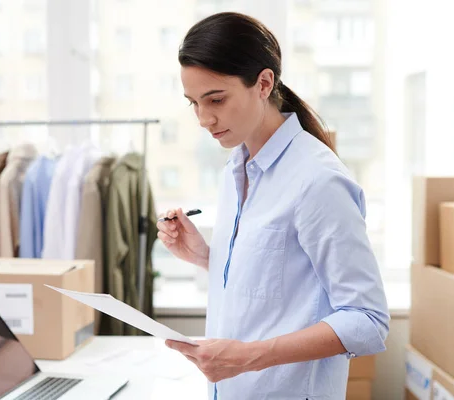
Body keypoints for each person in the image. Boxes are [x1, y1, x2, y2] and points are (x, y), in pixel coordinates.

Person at [157, 12, 390, 400]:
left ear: (264, 83)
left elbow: (368, 320)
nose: (203, 118)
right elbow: (277, 285)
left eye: (215, 99)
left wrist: (248, 357)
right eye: (193, 103)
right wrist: (205, 258)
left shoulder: (318, 180)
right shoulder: (235, 169)